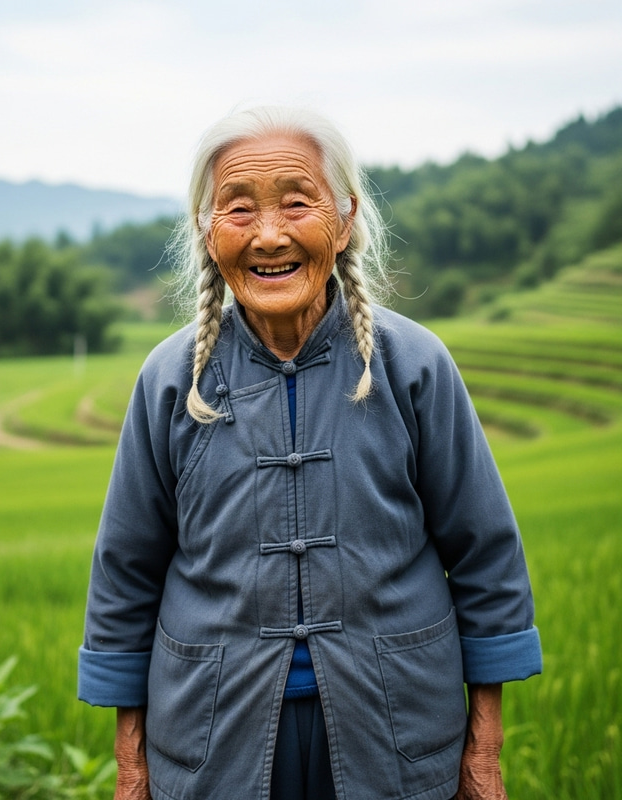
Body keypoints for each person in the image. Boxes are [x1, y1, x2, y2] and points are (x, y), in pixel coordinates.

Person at [78, 106, 542, 800]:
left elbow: (485, 555)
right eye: (238, 209)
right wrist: (131, 763)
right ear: (206, 230)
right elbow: (126, 572)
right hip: (214, 735)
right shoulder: (171, 381)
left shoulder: (412, 365)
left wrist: (484, 749)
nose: (269, 235)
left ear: (345, 219)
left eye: (297, 203)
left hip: (395, 728)